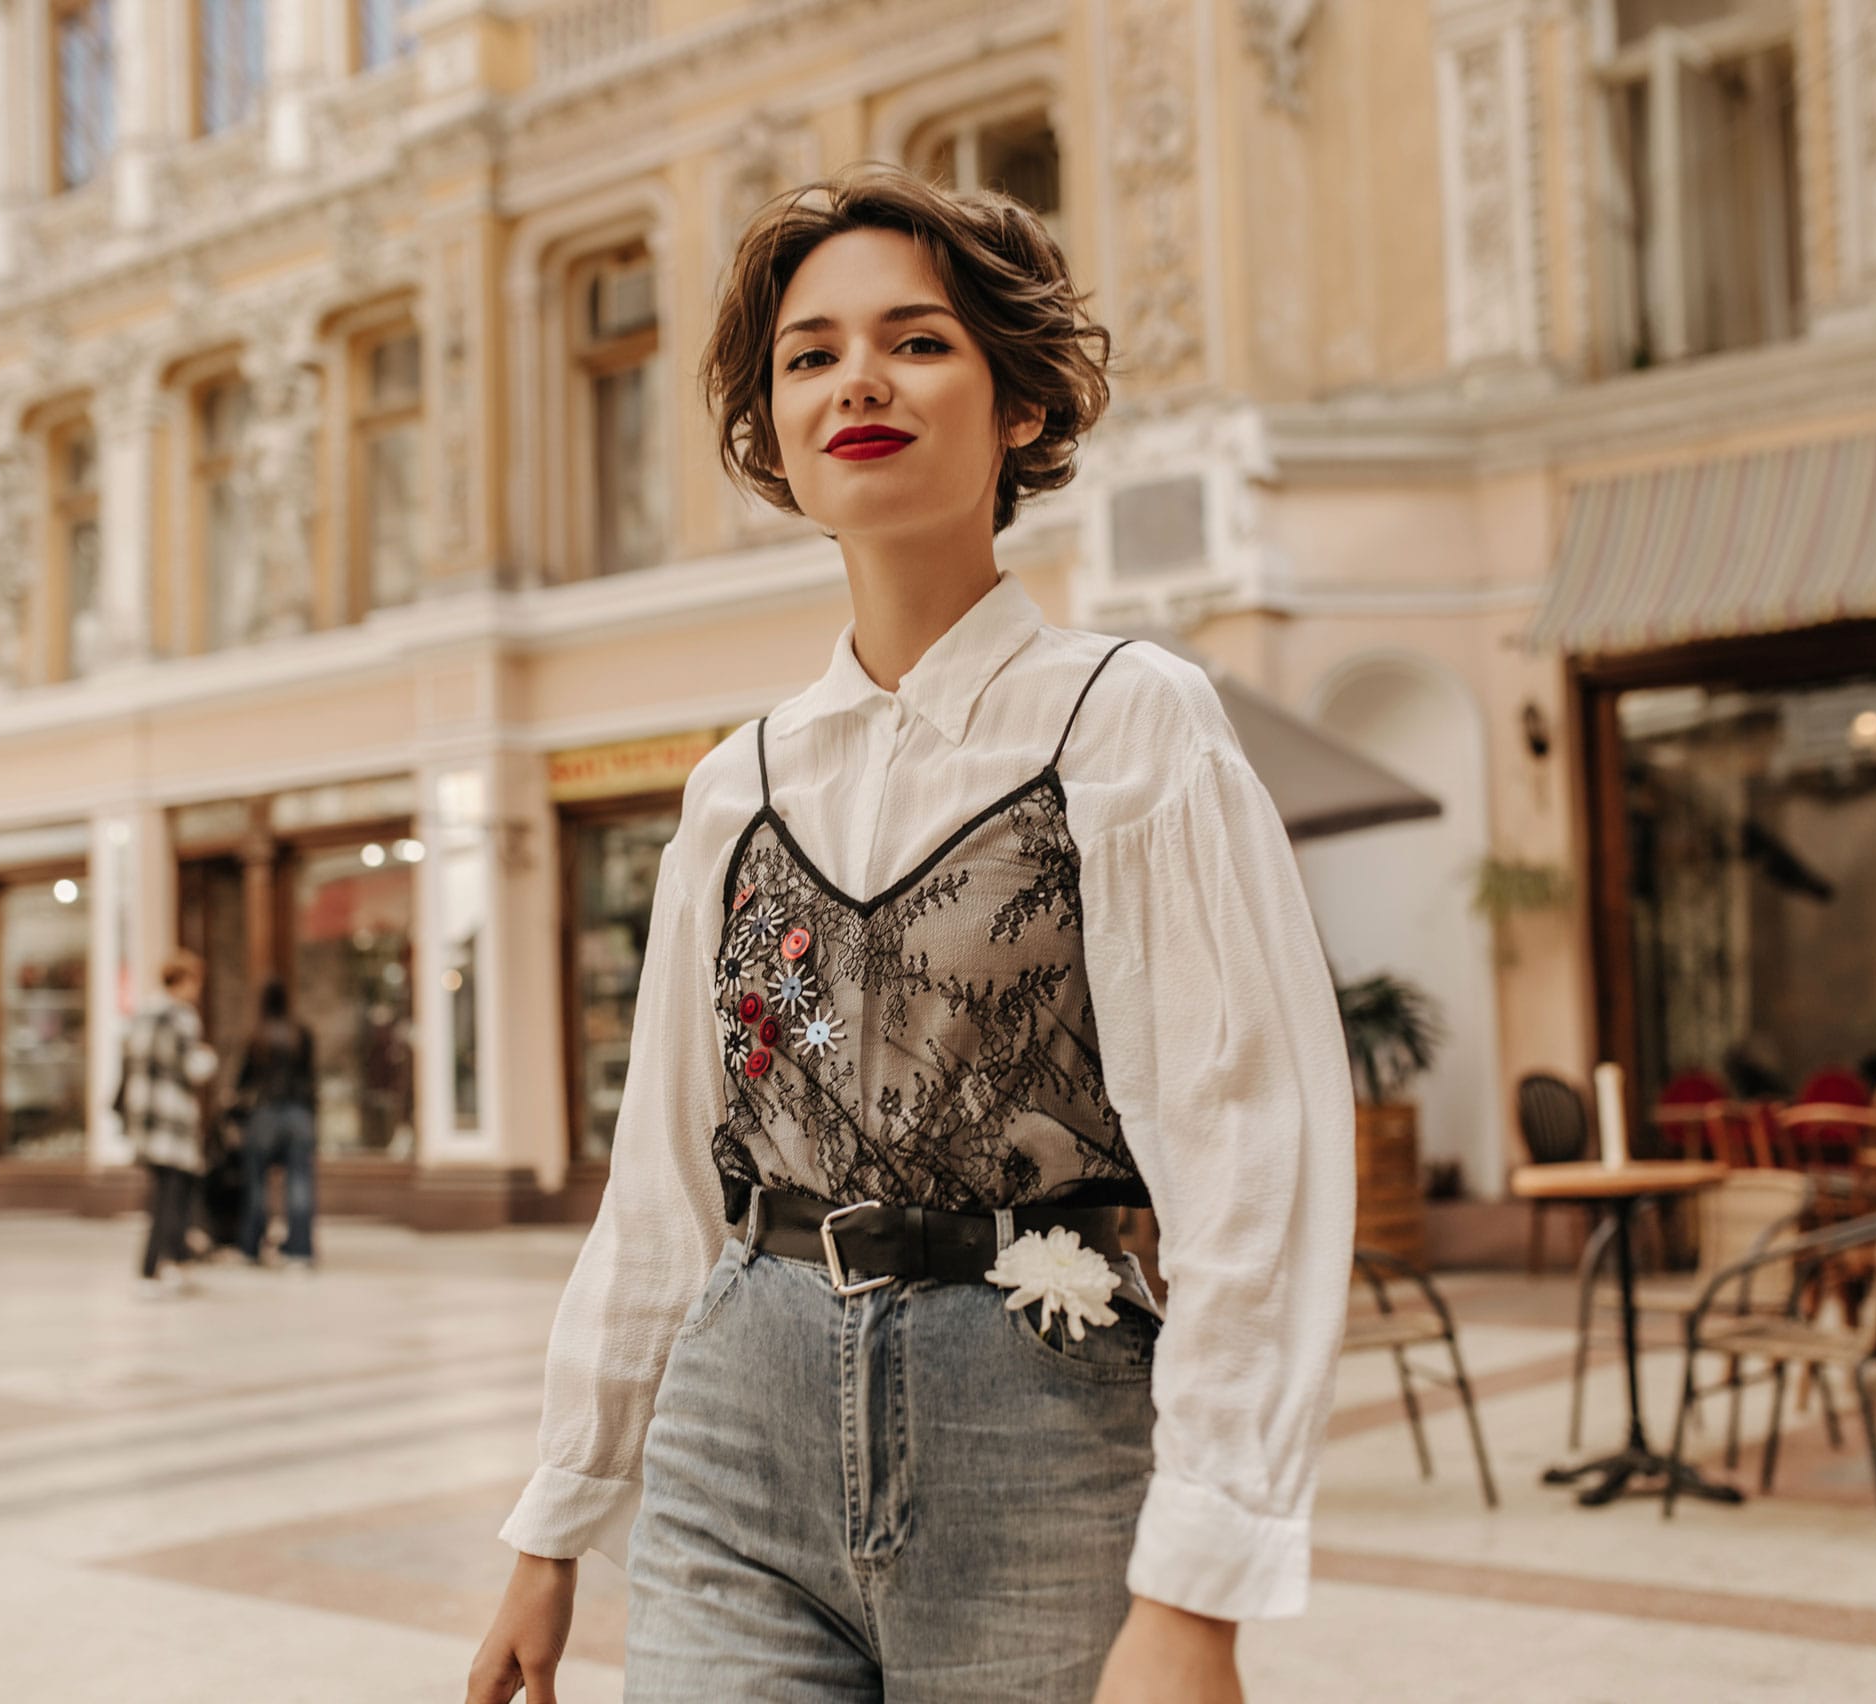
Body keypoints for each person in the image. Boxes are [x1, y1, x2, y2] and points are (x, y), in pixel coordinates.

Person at [466, 167, 1356, 1704]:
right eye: (808, 357)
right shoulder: (731, 786)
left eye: (916, 341)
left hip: (1041, 1438)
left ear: (1018, 407)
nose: (855, 381)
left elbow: (1247, 1164)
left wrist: (1197, 1589)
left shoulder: (1127, 724)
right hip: (733, 1446)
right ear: (777, 435)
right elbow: (667, 1187)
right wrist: (556, 1525)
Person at [119, 950, 218, 1296]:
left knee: (161, 1194)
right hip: (171, 1116)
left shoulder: (144, 1014)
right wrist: (208, 1058)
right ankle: (171, 1263)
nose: (198, 990)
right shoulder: (179, 1018)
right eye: (195, 981)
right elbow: (191, 1067)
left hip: (146, 1115)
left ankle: (152, 1266)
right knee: (175, 1193)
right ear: (183, 981)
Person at [236, 980, 319, 1269]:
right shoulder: (301, 1034)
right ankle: (300, 1250)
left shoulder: (258, 1037)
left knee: (257, 1184)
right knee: (299, 1184)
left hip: (265, 1115)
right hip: (298, 1114)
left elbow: (243, 1082)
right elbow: (311, 1078)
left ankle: (251, 1245)